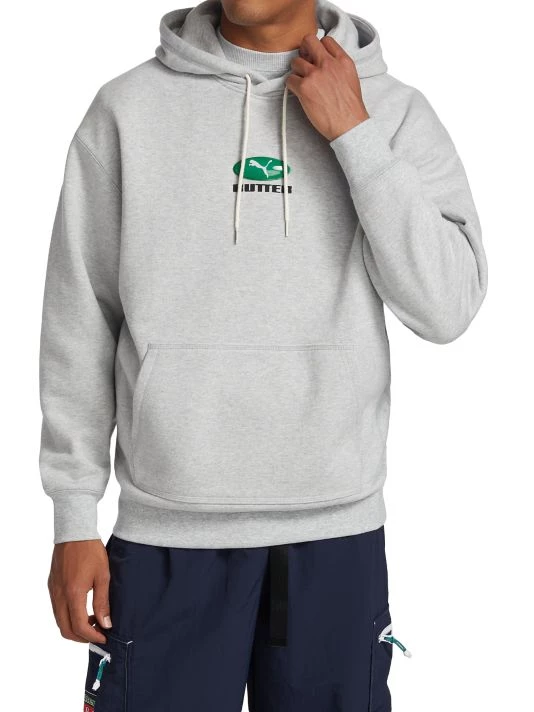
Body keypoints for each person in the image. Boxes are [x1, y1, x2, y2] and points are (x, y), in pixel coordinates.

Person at [40, 0, 487, 710]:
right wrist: (73, 516)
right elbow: (79, 317)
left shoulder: (394, 111)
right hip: (165, 535)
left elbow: (447, 306)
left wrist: (355, 134)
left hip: (335, 536)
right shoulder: (126, 110)